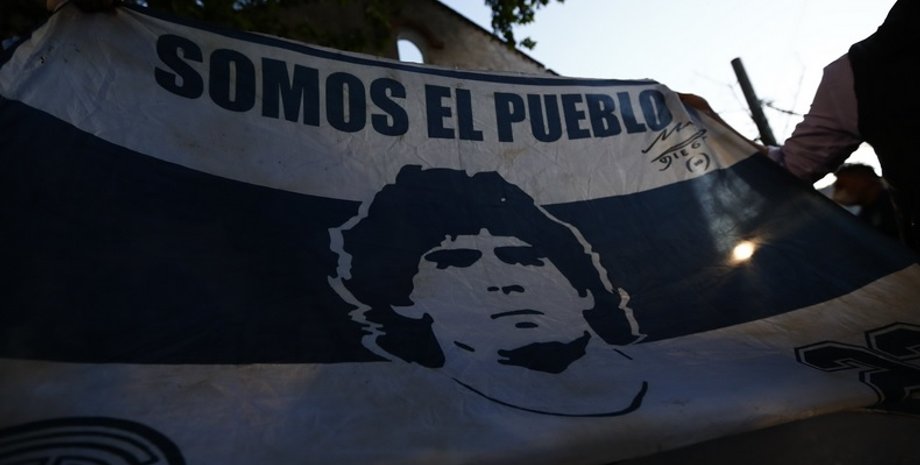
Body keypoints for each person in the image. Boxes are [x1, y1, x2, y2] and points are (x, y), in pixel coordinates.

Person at [329, 165, 647, 416]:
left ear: (583, 289)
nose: (504, 281)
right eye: (456, 262)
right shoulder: (401, 418)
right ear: (404, 301)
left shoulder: (669, 382)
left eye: (524, 259)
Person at [766, 0, 919, 252]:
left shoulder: (859, 71)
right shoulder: (861, 71)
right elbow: (788, 168)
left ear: (864, 178)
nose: (840, 192)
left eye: (843, 184)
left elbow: (786, 169)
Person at [831, 164, 900, 241]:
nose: (836, 190)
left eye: (841, 185)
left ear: (863, 179)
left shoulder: (896, 203)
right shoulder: (862, 220)